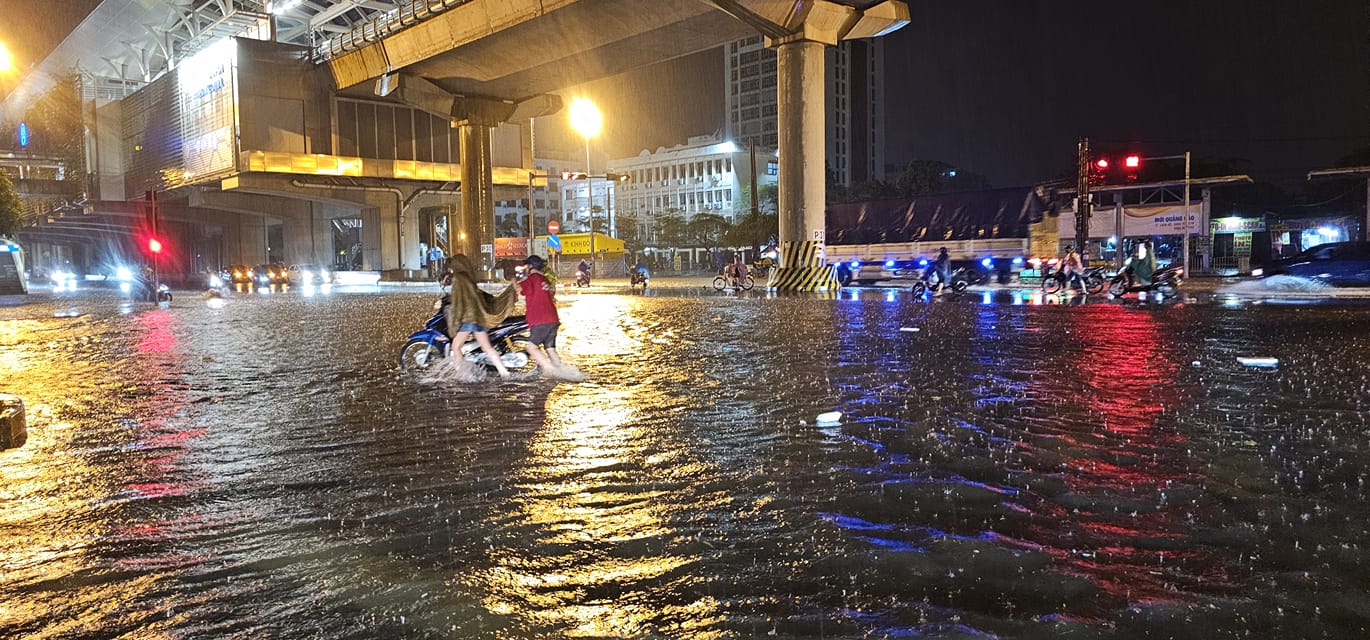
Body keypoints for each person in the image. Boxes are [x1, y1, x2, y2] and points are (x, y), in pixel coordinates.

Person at [445, 254, 518, 378]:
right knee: (487, 348)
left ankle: (461, 374)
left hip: (468, 320)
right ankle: (503, 372)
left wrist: (454, 321)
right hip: (478, 317)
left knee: (456, 347)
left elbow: (458, 302)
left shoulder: (458, 279)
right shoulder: (468, 278)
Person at [516, 255, 566, 376]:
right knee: (550, 349)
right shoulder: (545, 279)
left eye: (526, 266)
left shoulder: (532, 278)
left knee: (531, 348)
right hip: (553, 319)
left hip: (540, 320)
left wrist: (514, 282)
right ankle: (564, 372)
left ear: (530, 266)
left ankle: (551, 370)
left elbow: (520, 291)